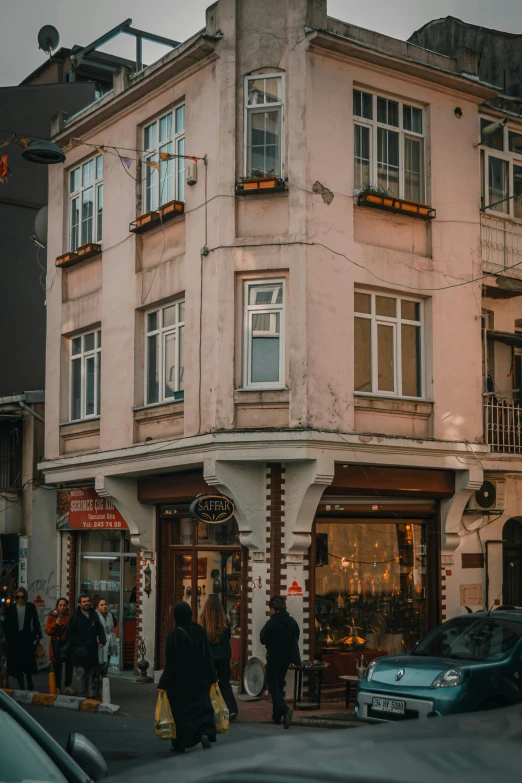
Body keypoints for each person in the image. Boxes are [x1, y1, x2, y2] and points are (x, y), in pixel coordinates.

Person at [158, 601, 218, 753]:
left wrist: (163, 682)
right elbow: (207, 656)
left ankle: (180, 743)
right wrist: (212, 677)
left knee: (180, 713)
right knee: (201, 708)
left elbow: (170, 662)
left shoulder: (174, 634)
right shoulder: (201, 631)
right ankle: (204, 731)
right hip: (199, 678)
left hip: (179, 681)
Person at [260, 595, 301, 729]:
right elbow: (297, 635)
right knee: (278, 686)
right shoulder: (292, 621)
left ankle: (285, 710)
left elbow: (263, 638)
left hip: (274, 658)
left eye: (270, 609)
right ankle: (276, 717)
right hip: (286, 659)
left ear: (274, 609)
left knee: (272, 687)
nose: (269, 612)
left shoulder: (272, 622)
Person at [200, 593, 238, 719]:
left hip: (209, 657)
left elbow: (201, 639)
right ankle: (232, 709)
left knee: (207, 683)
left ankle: (208, 710)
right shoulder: (224, 620)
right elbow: (228, 637)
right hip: (223, 656)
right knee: (225, 683)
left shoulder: (203, 620)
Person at [66, 593, 106, 697]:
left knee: (89, 672)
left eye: (88, 601)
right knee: (81, 671)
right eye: (84, 602)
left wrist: (102, 639)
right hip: (78, 651)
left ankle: (88, 694)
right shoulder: (74, 617)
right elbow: (69, 634)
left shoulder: (93, 614)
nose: (86, 603)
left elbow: (100, 628)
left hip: (91, 650)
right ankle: (81, 694)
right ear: (79, 604)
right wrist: (78, 645)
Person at [4, 586, 42, 691]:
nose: (20, 599)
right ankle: (21, 686)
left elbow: (36, 622)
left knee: (28, 662)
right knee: (17, 663)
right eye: (18, 597)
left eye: (22, 597)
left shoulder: (30, 607)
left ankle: (30, 682)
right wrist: (8, 638)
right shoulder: (11, 608)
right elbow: (6, 625)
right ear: (15, 597)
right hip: (14, 639)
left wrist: (38, 636)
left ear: (26, 597)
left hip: (26, 638)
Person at [45, 597, 73, 694]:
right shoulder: (52, 615)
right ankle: (57, 687)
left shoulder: (70, 615)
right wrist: (55, 624)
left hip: (67, 643)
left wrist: (65, 625)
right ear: (57, 606)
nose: (62, 607)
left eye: (64, 605)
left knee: (69, 665)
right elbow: (48, 631)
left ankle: (67, 686)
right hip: (56, 643)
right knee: (57, 667)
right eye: (60, 605)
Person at [95, 598, 118, 683]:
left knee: (106, 663)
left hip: (110, 642)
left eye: (105, 604)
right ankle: (98, 680)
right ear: (97, 607)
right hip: (100, 642)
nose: (104, 606)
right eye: (101, 605)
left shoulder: (110, 615)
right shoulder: (95, 616)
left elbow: (115, 624)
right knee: (100, 663)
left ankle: (103, 680)